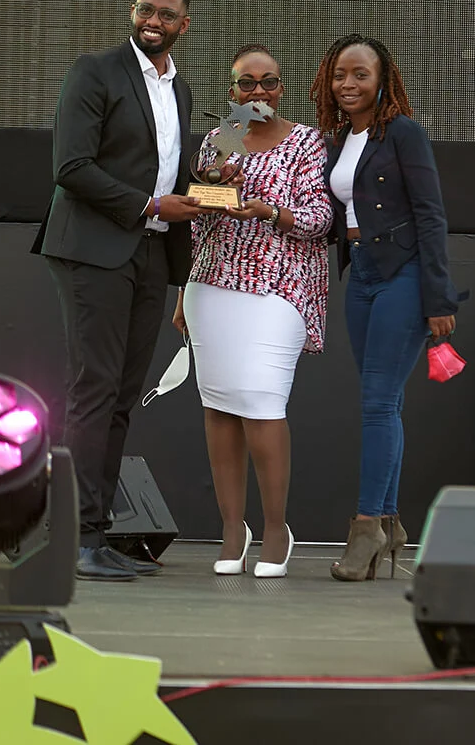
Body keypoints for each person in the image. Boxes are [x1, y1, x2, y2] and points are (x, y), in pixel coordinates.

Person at [31, 0, 205, 582]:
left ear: (184, 25)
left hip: (152, 254)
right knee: (95, 391)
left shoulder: (180, 90)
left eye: (166, 14)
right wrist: (150, 205)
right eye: (145, 9)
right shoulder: (95, 71)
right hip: (94, 249)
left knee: (122, 399)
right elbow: (71, 166)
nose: (153, 21)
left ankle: (96, 533)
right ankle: (74, 537)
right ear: (134, 12)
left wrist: (207, 190)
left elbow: (170, 176)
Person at [171, 44, 333, 578]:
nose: (258, 92)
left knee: (262, 401)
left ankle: (276, 528)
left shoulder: (305, 141)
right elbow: (199, 217)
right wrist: (183, 287)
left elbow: (319, 219)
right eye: (247, 83)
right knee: (219, 406)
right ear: (232, 90)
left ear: (282, 88)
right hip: (211, 282)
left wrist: (266, 209)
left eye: (269, 82)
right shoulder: (220, 139)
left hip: (280, 284)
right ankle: (231, 528)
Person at [312, 33, 462, 582]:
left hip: (404, 274)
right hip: (360, 277)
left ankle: (367, 526)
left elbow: (430, 214)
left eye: (361, 74)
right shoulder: (336, 139)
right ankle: (391, 523)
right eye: (339, 75)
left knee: (377, 404)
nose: (348, 84)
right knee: (387, 402)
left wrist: (438, 296)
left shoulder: (402, 132)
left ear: (383, 80)